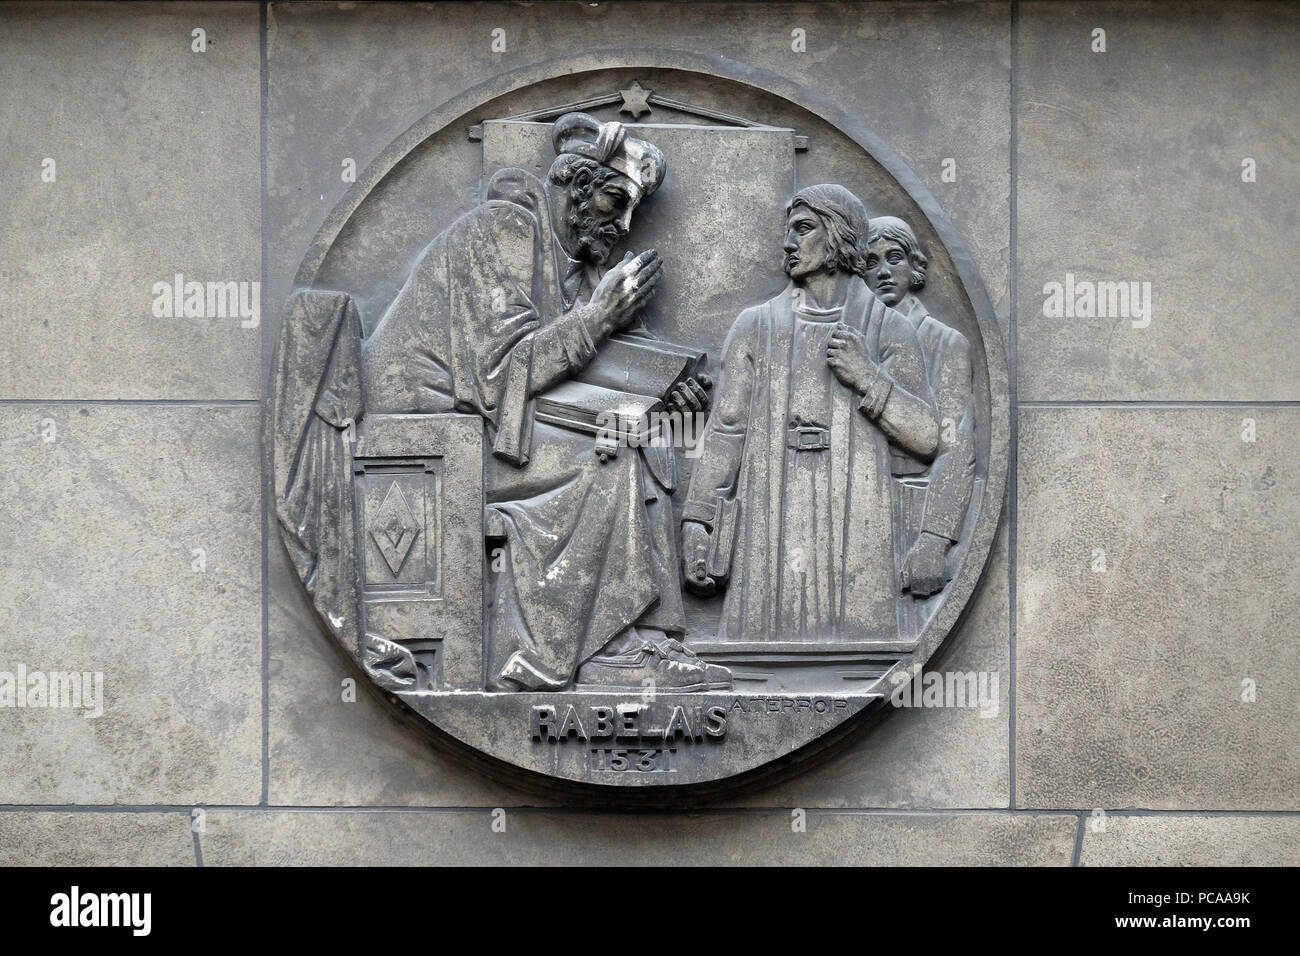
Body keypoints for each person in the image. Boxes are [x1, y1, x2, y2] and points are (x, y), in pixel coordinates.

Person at [360, 111, 726, 692]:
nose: (624, 224)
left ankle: (649, 637)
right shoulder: (502, 231)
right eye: (614, 200)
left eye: (632, 210)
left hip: (491, 431)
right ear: (575, 186)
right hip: (427, 440)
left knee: (645, 434)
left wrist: (664, 391)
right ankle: (597, 649)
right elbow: (499, 372)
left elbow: (581, 369)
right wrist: (599, 317)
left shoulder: (574, 266)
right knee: (613, 451)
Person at [681, 185, 938, 643]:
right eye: (788, 230)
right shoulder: (756, 326)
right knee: (758, 655)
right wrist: (697, 520)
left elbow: (926, 438)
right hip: (770, 512)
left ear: (837, 236)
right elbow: (726, 431)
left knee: (861, 653)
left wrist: (868, 378)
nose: (788, 243)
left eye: (803, 229)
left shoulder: (888, 328)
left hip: (858, 516)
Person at [864, 216, 975, 636]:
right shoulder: (848, 335)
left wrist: (933, 540)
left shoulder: (946, 343)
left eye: (894, 259)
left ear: (916, 268)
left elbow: (956, 447)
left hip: (914, 508)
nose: (883, 271)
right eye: (870, 262)